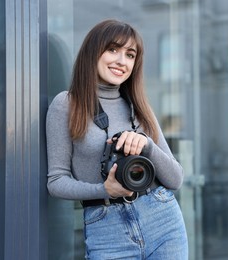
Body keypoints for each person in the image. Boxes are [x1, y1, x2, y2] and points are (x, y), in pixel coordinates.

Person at [46, 19, 188, 259]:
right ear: (93, 52)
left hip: (163, 218)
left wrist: (146, 145)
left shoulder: (140, 108)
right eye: (113, 50)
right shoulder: (67, 105)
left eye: (130, 55)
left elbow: (175, 179)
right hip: (106, 226)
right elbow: (56, 182)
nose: (122, 61)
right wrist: (104, 189)